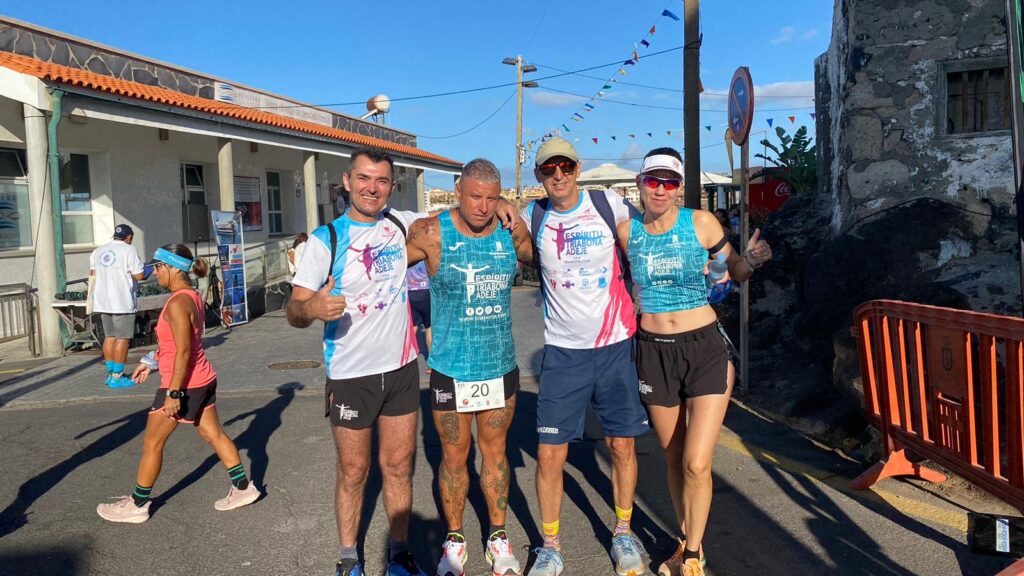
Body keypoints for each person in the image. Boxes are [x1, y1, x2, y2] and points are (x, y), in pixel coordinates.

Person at [287, 147, 517, 576]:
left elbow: (467, 210)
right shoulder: (326, 239)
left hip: (401, 369)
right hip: (351, 373)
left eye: (381, 181)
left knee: (397, 467)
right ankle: (349, 559)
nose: (372, 188)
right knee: (353, 471)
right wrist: (312, 308)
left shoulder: (405, 225)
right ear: (347, 180)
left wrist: (500, 202)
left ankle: (399, 554)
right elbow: (294, 309)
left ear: (391, 187)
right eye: (364, 179)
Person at [617, 148, 772, 576]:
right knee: (673, 458)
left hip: (704, 348)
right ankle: (688, 540)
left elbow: (735, 269)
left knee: (697, 462)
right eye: (653, 181)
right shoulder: (627, 232)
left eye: (669, 182)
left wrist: (752, 262)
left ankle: (691, 556)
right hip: (652, 351)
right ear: (640, 184)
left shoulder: (701, 223)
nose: (661, 190)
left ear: (680, 187)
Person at [519, 137, 649, 576]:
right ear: (539, 175)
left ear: (577, 168)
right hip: (563, 354)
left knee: (621, 445)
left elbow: (648, 243)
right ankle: (550, 546)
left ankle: (623, 532)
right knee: (550, 454)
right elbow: (494, 233)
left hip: (615, 346)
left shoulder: (607, 203)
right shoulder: (532, 216)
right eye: (548, 169)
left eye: (566, 167)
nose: (558, 175)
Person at [406, 159, 534, 576]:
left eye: (491, 198)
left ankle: (498, 536)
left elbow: (537, 256)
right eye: (475, 196)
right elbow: (381, 268)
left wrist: (513, 213)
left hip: (498, 367)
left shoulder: (508, 228)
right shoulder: (430, 232)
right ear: (458, 190)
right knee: (453, 455)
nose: (482, 206)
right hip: (450, 369)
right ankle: (455, 540)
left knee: (495, 453)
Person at [96, 244, 260, 524]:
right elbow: (177, 345)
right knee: (213, 434)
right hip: (202, 379)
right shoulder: (190, 296)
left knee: (152, 442)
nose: (155, 273)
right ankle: (243, 488)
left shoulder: (177, 303)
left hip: (184, 385)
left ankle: (137, 504)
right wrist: (151, 360)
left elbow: (184, 351)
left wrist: (173, 392)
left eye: (159, 268)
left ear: (173, 268)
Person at [89, 224, 146, 388]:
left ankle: (110, 374)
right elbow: (139, 275)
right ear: (129, 237)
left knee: (110, 337)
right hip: (122, 301)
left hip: (103, 301)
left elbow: (93, 275)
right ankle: (117, 376)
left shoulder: (98, 251)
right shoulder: (129, 250)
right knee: (123, 338)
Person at [405, 261, 432, 372]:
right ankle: (431, 365)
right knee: (429, 328)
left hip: (410, 291)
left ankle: (407, 360)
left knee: (413, 326)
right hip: (426, 290)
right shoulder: (424, 253)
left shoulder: (409, 252)